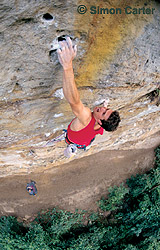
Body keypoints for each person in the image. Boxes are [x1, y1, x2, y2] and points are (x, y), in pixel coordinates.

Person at [57, 37, 120, 149]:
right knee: (89, 140)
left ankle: (71, 147)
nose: (102, 108)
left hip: (72, 140)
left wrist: (67, 65)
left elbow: (74, 101)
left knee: (73, 143)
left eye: (103, 113)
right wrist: (103, 111)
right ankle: (78, 147)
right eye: (106, 109)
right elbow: (103, 115)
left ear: (100, 122)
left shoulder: (86, 117)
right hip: (86, 141)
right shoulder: (102, 125)